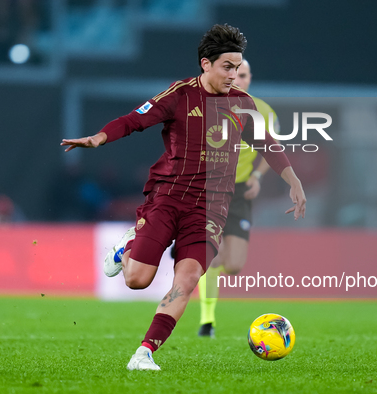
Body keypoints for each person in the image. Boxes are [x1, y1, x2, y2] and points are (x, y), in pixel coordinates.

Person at [60, 24, 306, 371]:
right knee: (136, 280)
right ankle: (125, 248)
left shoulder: (243, 104)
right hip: (168, 199)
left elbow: (267, 144)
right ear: (206, 64)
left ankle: (144, 352)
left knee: (187, 279)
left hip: (211, 209)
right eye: (227, 67)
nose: (234, 75)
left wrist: (293, 180)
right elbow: (134, 120)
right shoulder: (179, 95)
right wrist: (99, 138)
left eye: (238, 68)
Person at [196, 59, 279, 338]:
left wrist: (257, 177)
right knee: (212, 257)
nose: (238, 79)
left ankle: (206, 258)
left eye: (243, 75)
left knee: (233, 266)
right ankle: (207, 320)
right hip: (210, 190)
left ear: (250, 78)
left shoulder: (264, 111)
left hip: (241, 192)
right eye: (233, 74)